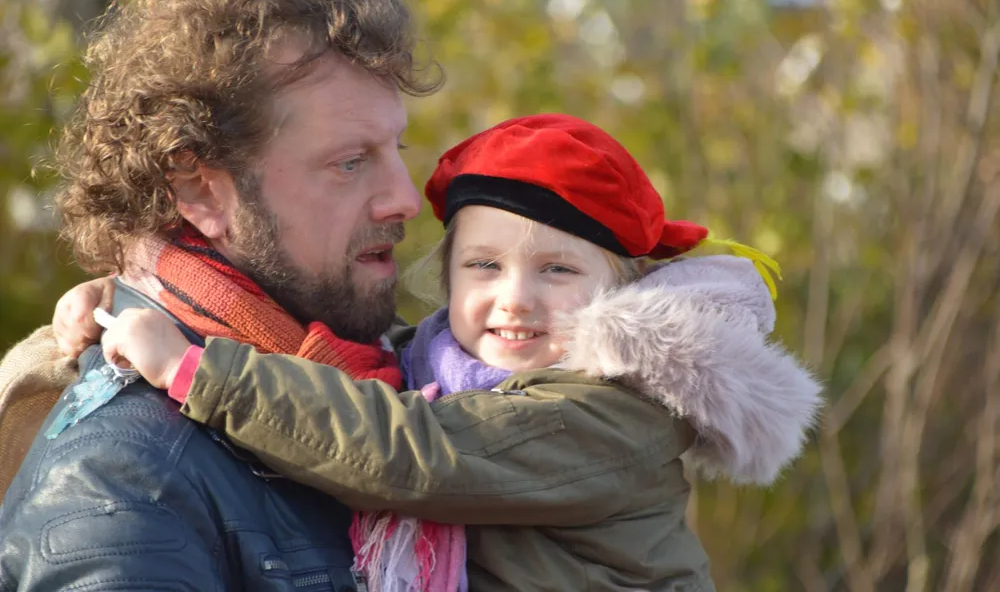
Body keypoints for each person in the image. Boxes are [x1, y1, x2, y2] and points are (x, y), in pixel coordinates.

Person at [67, 114, 822, 591]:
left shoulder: (609, 410)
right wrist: (130, 300)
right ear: (448, 277)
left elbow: (410, 450)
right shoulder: (443, 363)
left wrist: (194, 371)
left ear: (618, 289)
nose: (515, 298)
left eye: (558, 271)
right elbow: (326, 363)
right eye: (484, 266)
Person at [0, 0, 442, 589]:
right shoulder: (124, 486)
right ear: (202, 191)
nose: (405, 198)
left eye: (395, 150)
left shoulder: (397, 382)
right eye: (351, 162)